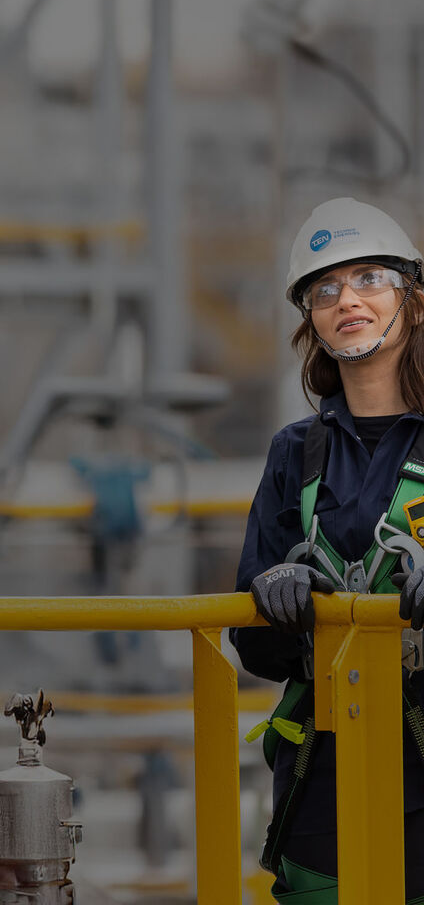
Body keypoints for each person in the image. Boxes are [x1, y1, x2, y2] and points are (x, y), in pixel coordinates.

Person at [231, 197, 424, 904]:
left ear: (415, 301)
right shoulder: (296, 453)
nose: (349, 299)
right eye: (326, 289)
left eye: (371, 278)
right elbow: (253, 649)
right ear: (310, 319)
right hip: (326, 773)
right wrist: (274, 599)